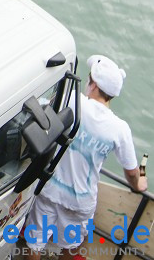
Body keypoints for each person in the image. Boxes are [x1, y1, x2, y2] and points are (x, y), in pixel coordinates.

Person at [24, 55, 147, 260]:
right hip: (81, 201)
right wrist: (140, 184)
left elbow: (40, 107)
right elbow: (133, 173)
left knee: (34, 244)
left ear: (94, 85)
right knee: (70, 248)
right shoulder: (120, 129)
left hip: (50, 189)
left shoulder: (72, 100)